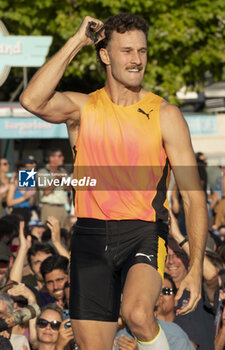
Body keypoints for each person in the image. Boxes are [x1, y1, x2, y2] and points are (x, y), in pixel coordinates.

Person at [20, 13, 208, 350]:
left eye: (142, 51)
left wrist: (194, 269)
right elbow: (32, 100)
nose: (137, 60)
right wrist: (78, 41)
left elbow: (194, 199)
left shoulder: (166, 115)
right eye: (126, 51)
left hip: (144, 231)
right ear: (105, 54)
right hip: (90, 237)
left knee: (137, 314)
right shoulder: (83, 107)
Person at [37, 149, 68, 227]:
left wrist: (65, 179)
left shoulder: (62, 171)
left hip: (62, 207)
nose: (63, 158)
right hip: (49, 207)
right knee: (49, 232)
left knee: (63, 233)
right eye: (60, 156)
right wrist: (57, 179)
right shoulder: (43, 172)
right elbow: (46, 192)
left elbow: (68, 189)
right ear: (51, 158)